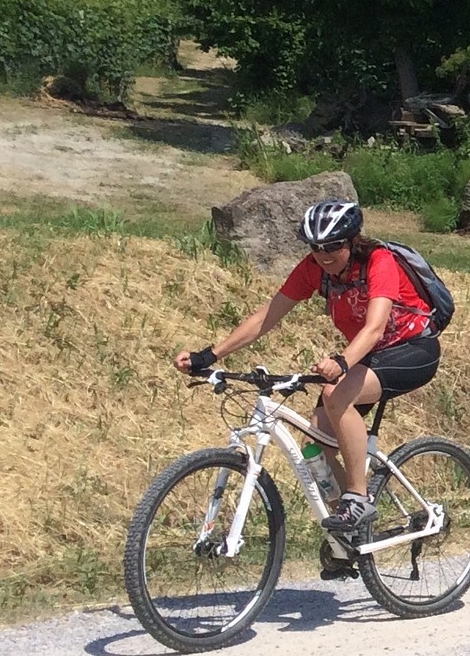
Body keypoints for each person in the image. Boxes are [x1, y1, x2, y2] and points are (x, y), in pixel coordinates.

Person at [175, 199, 443, 575]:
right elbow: (267, 316)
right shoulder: (315, 270)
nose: (323, 255)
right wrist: (209, 355)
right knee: (316, 436)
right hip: (365, 358)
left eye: (332, 246)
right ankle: (347, 538)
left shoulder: (379, 261)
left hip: (412, 350)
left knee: (336, 395)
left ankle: (358, 499)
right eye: (315, 247)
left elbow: (375, 328)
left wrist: (343, 362)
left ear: (352, 241)